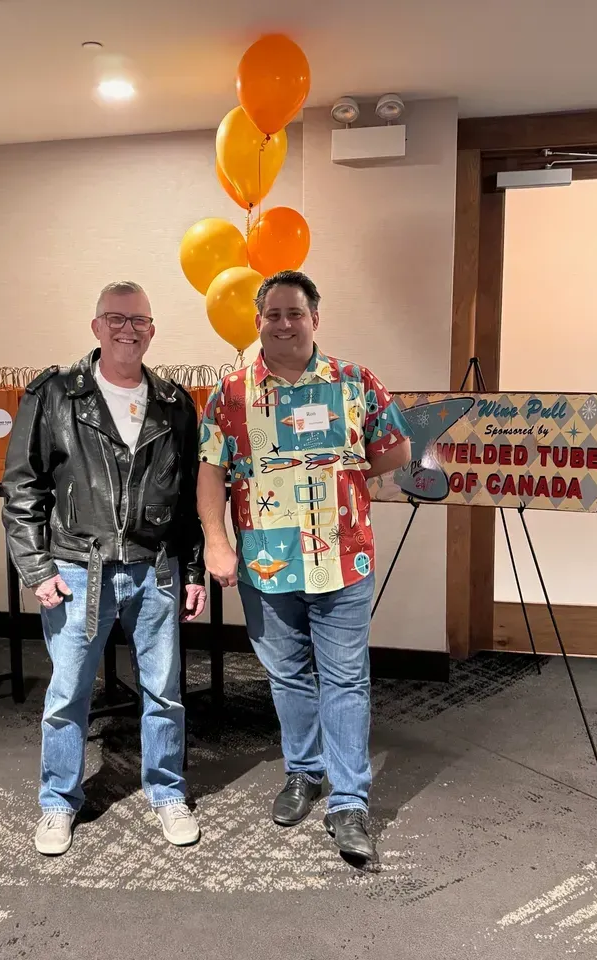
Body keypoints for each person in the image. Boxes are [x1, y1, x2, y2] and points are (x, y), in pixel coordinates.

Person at [196, 270, 412, 865]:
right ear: (258, 321)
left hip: (342, 560)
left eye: (295, 313)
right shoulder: (231, 393)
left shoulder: (353, 382)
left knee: (346, 679)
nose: (285, 323)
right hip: (268, 564)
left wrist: (342, 476)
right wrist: (217, 539)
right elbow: (210, 469)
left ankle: (348, 802)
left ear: (315, 318)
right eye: (274, 314)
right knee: (287, 676)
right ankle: (303, 771)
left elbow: (395, 446)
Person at [2, 280, 207, 856]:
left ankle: (167, 792)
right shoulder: (55, 396)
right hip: (77, 568)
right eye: (115, 318)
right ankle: (56, 804)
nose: (127, 329)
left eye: (138, 319)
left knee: (164, 693)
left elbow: (191, 497)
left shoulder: (175, 403)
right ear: (95, 327)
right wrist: (35, 568)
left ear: (152, 328)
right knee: (68, 695)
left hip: (156, 570)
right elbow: (22, 487)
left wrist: (192, 571)